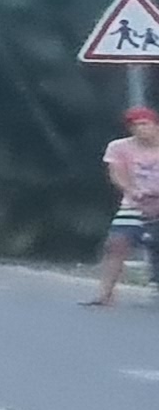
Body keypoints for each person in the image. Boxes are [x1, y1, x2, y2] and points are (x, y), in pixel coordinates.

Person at [90, 106, 159, 307]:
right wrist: (132, 191)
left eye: (144, 124)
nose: (140, 129)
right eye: (134, 126)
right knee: (116, 243)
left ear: (155, 125)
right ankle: (105, 294)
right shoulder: (118, 147)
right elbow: (116, 174)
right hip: (136, 201)